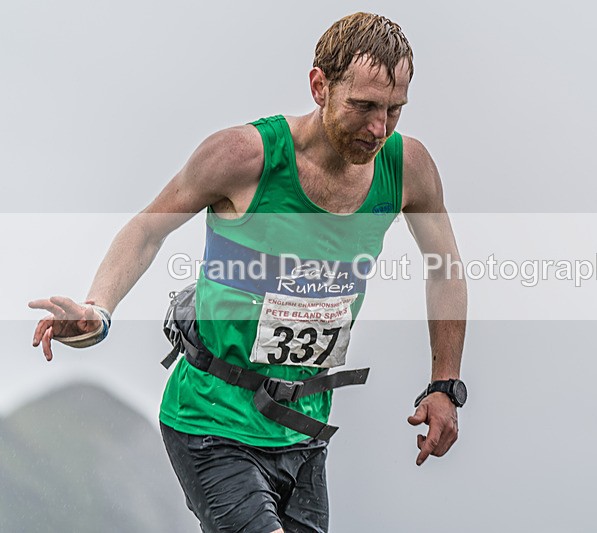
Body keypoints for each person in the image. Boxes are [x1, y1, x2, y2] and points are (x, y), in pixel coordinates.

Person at [29, 12, 467, 533]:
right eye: (363, 106)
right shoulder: (244, 157)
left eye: (394, 110)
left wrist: (445, 384)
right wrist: (98, 310)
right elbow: (148, 229)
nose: (379, 128)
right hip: (211, 419)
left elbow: (445, 268)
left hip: (301, 430)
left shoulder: (407, 168)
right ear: (319, 85)